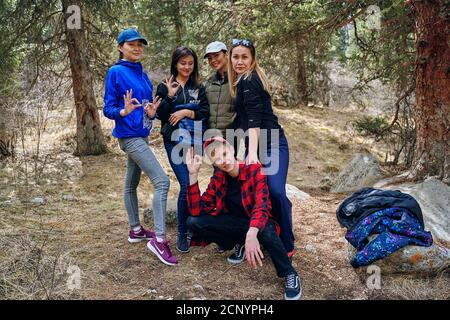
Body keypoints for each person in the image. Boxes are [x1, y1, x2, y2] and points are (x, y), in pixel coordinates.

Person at [185, 137, 302, 300]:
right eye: (217, 159)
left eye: (225, 154)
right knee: (193, 222)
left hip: (258, 223)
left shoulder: (255, 169)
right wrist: (193, 175)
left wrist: (252, 233)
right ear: (214, 164)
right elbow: (197, 211)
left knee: (266, 230)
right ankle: (237, 243)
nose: (223, 161)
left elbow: (262, 207)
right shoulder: (219, 178)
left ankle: (289, 273)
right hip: (236, 224)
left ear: (232, 149)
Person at [103, 28, 177, 266]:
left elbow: (145, 108)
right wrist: (122, 111)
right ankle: (159, 239)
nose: (137, 48)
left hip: (141, 135)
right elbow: (108, 107)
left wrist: (152, 113)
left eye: (140, 45)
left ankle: (135, 230)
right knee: (162, 182)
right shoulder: (115, 72)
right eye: (132, 44)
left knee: (131, 185)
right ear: (121, 47)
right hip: (129, 138)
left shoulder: (143, 75)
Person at [228, 39, 295, 256]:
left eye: (244, 57)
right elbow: (243, 120)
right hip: (257, 143)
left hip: (273, 143)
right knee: (258, 193)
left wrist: (252, 153)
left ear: (252, 59)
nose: (239, 61)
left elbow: (255, 121)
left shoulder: (249, 80)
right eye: (235, 56)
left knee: (275, 191)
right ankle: (270, 230)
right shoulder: (240, 82)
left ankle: (287, 242)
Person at [156, 46, 210, 253]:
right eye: (182, 63)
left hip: (195, 139)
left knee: (194, 182)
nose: (187, 67)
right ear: (175, 64)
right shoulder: (166, 85)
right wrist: (170, 97)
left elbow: (205, 112)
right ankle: (182, 232)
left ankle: (194, 227)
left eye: (190, 63)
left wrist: (187, 112)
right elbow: (160, 115)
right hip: (174, 141)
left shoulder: (199, 87)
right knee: (186, 182)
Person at [203, 41, 236, 139]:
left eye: (216, 55)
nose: (213, 60)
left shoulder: (237, 80)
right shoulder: (209, 82)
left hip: (231, 137)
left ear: (226, 54)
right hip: (210, 136)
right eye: (209, 58)